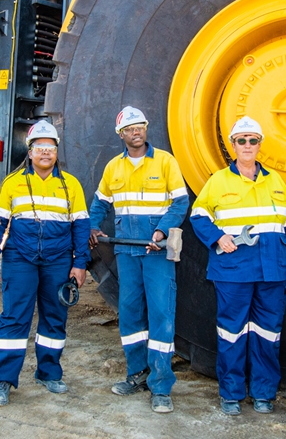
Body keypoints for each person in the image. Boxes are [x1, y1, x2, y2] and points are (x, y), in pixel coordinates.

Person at [189, 116, 286, 416]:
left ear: (260, 145)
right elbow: (198, 215)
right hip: (234, 270)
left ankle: (263, 393)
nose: (248, 145)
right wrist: (218, 238)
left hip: (272, 270)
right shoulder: (218, 181)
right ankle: (231, 393)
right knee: (231, 332)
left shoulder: (275, 181)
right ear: (233, 145)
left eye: (253, 140)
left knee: (268, 333)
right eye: (242, 140)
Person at [0, 119, 90, 406]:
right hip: (19, 259)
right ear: (29, 152)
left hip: (58, 261)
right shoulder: (13, 183)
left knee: (55, 317)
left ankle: (48, 373)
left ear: (56, 153)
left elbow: (81, 227)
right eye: (39, 147)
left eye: (50, 147)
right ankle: (3, 380)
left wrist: (80, 263)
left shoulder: (71, 186)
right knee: (15, 318)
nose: (45, 153)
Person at [89, 106, 190, 413]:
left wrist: (160, 232)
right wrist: (92, 227)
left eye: (140, 127)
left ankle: (160, 386)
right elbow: (99, 203)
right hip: (126, 252)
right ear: (121, 135)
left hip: (155, 252)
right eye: (130, 129)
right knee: (131, 314)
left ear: (146, 129)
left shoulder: (165, 161)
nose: (136, 132)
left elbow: (180, 202)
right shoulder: (113, 168)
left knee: (161, 315)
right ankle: (137, 375)